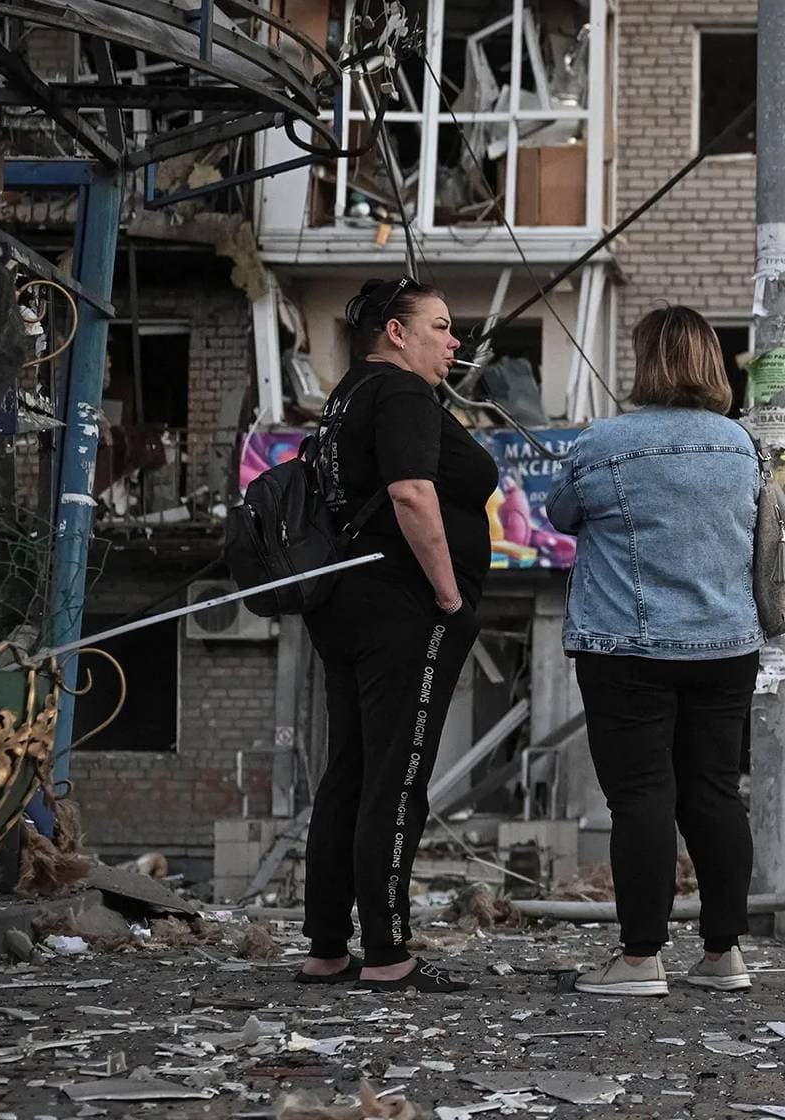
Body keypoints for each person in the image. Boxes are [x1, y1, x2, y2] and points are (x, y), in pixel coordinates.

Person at [545, 304, 763, 998]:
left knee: (643, 797)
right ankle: (723, 953)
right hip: (727, 644)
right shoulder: (740, 444)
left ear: (646, 362)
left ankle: (640, 959)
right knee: (714, 793)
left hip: (628, 648)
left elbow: (558, 516)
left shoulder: (604, 443)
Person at [296, 277, 496, 993]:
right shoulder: (403, 393)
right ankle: (385, 952)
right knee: (398, 774)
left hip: (346, 602)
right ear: (395, 332)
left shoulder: (346, 395)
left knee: (351, 769)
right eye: (441, 327)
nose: (455, 341)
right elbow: (413, 493)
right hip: (401, 607)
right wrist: (449, 596)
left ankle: (326, 946)